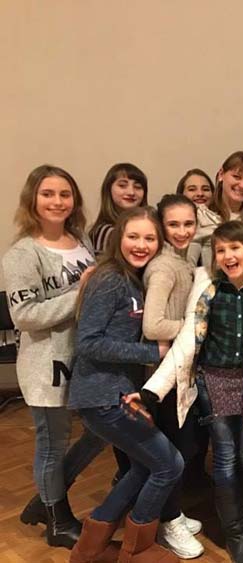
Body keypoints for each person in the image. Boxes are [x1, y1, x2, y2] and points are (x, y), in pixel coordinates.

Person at [139, 220, 243, 563]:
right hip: (214, 381)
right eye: (220, 250)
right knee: (225, 456)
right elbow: (187, 342)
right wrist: (153, 390)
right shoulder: (208, 288)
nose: (228, 255)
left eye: (235, 248)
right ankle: (233, 530)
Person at [67, 207, 181, 563]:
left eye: (149, 238)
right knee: (170, 465)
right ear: (119, 237)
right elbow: (88, 342)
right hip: (103, 396)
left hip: (119, 393)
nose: (141, 245)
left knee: (143, 467)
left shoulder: (133, 279)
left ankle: (89, 549)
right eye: (133, 236)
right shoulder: (111, 278)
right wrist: (152, 352)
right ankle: (138, 547)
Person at [2, 165, 106, 550]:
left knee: (100, 432)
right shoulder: (21, 254)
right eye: (48, 193)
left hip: (84, 358)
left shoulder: (80, 240)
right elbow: (24, 316)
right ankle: (58, 520)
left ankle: (46, 498)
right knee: (53, 443)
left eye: (65, 194)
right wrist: (79, 293)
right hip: (46, 364)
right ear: (32, 198)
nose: (57, 201)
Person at [141, 194, 205, 559]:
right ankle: (167, 522)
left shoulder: (184, 259)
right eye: (173, 224)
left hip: (180, 370)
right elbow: (153, 326)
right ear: (161, 226)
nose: (182, 231)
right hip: (162, 376)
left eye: (188, 223)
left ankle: (172, 512)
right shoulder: (164, 267)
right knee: (171, 451)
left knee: (183, 445)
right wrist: (195, 328)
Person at [89, 162, 149, 255]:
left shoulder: (149, 227)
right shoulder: (106, 231)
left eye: (137, 187)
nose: (131, 192)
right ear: (109, 189)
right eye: (122, 185)